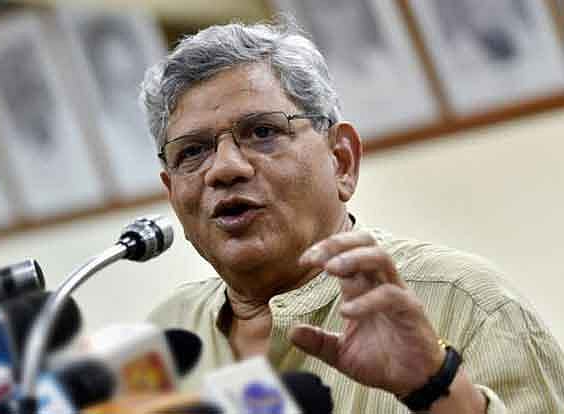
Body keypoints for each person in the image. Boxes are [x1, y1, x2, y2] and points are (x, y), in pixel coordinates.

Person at [140, 20, 564, 413]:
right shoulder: (167, 330)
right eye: (192, 151)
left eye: (263, 132)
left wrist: (435, 387)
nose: (224, 168)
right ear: (172, 193)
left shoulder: (467, 303)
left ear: (341, 161)